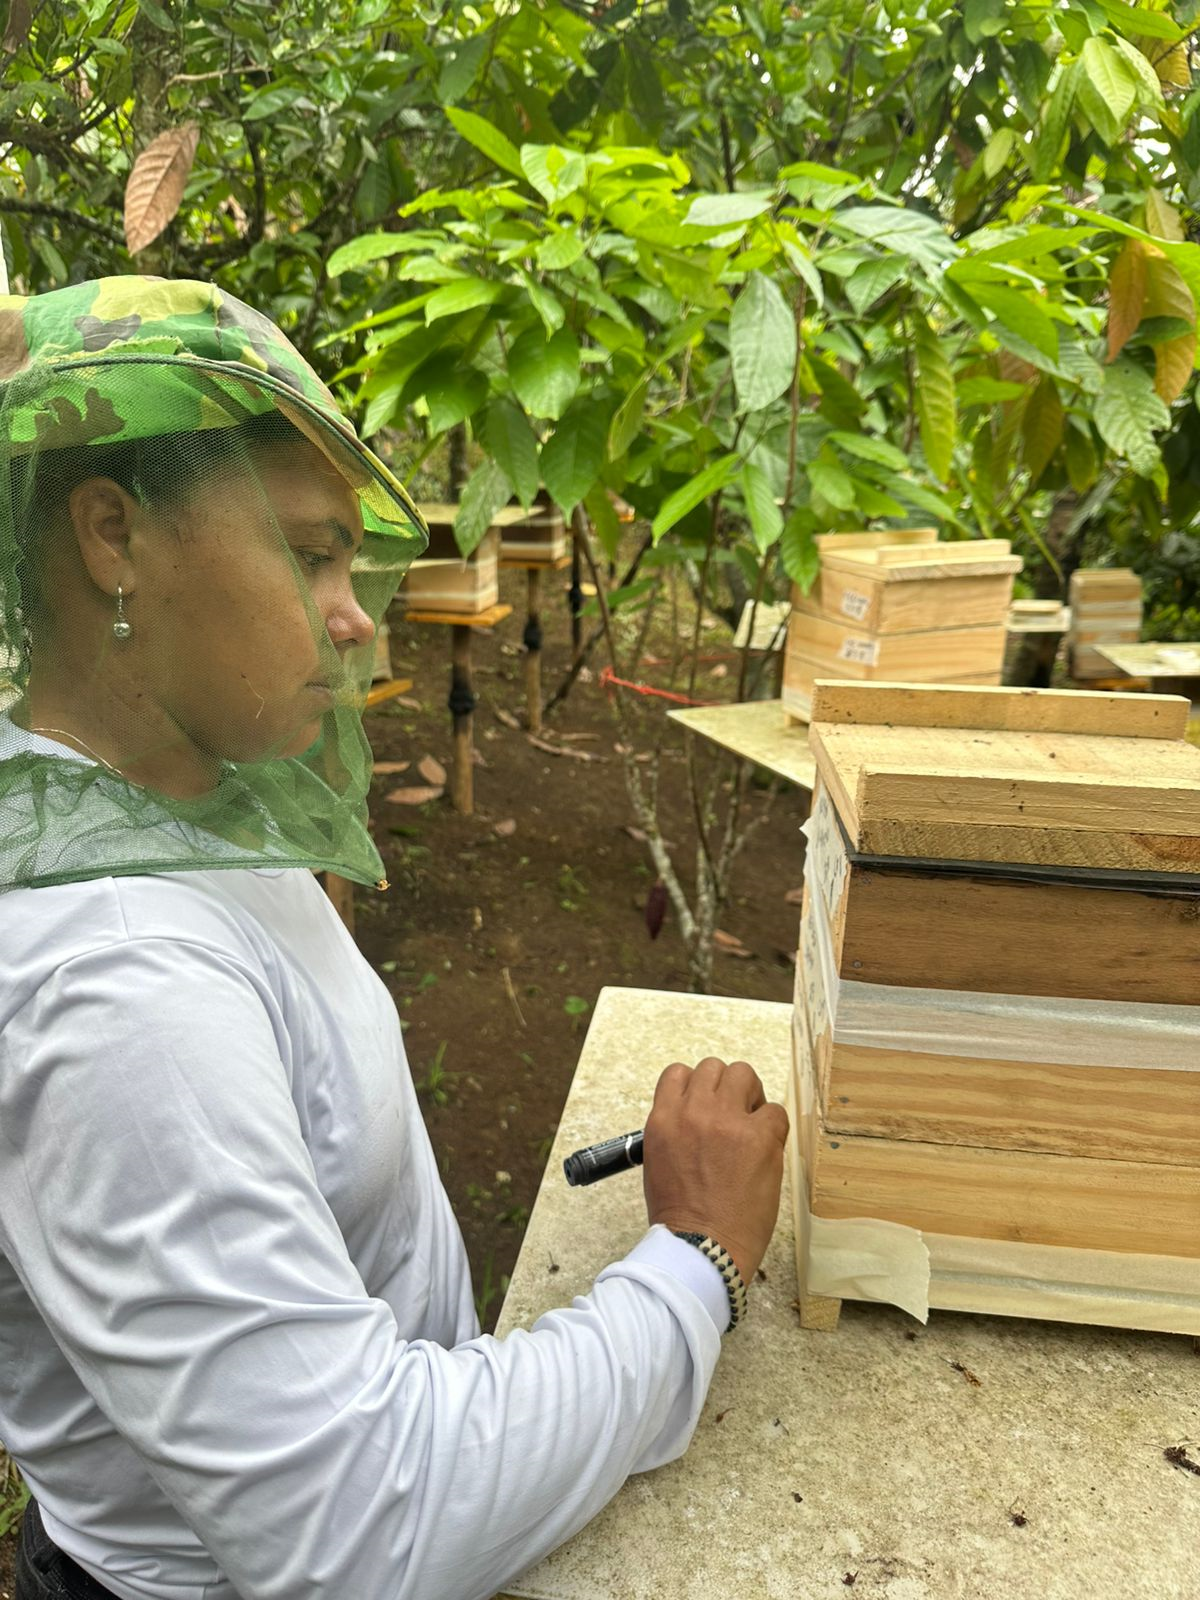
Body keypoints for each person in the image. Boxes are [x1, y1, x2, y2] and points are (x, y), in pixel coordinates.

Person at [0, 277, 788, 1600]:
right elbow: (363, 1524)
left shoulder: (169, 802)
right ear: (113, 535)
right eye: (309, 552)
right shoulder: (117, 983)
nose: (356, 613)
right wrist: (695, 1257)